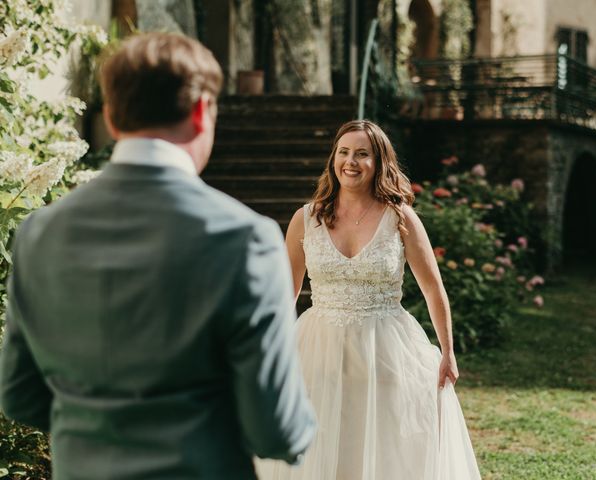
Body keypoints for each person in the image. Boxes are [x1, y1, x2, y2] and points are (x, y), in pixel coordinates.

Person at [0, 32, 315, 480]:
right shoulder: (246, 239)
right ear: (202, 111)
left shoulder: (40, 233)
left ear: (110, 115)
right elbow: (276, 430)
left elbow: (19, 395)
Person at [256, 120, 481, 479]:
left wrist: (448, 351)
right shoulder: (305, 218)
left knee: (384, 440)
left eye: (362, 154)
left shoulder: (400, 217)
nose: (351, 161)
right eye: (343, 153)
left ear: (379, 162)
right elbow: (287, 291)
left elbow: (433, 288)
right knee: (325, 440)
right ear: (333, 159)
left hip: (386, 346)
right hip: (319, 344)